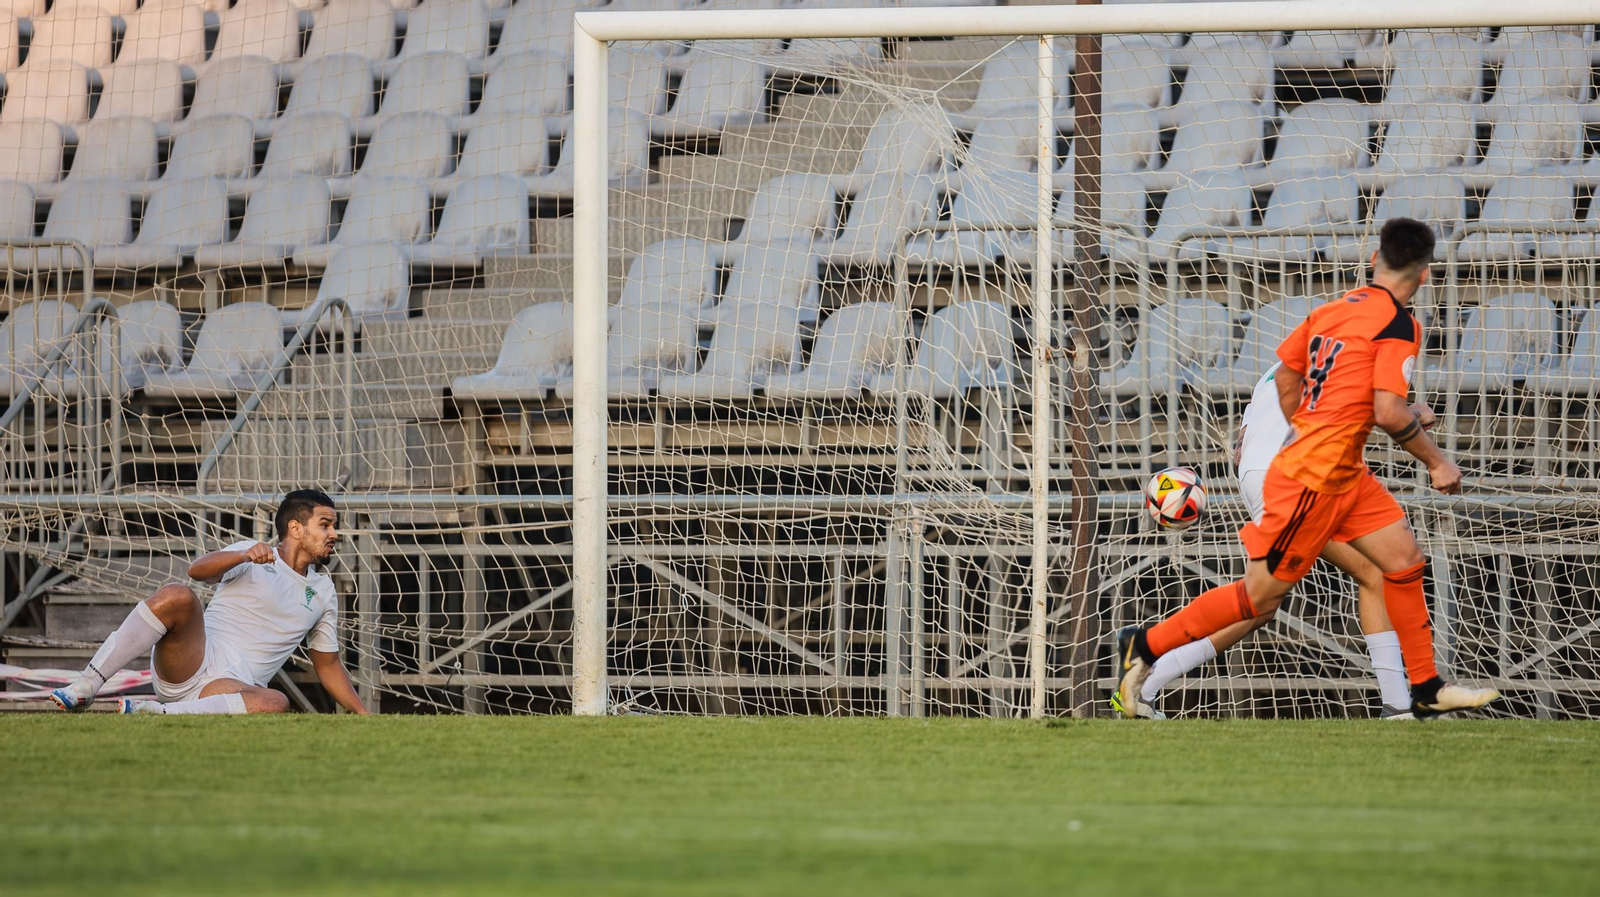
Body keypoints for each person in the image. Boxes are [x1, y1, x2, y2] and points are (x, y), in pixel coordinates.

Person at [1114, 217, 1499, 720]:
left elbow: (1296, 379)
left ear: (1372, 262)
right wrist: (1436, 459)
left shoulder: (1331, 314)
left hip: (1325, 469)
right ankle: (1146, 649)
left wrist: (1318, 421)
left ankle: (1420, 688)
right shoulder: (1399, 325)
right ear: (1425, 276)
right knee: (1261, 599)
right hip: (1306, 475)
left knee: (1400, 560)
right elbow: (1384, 409)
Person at [1110, 362, 1435, 720]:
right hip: (1295, 473)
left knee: (1271, 600)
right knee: (1366, 572)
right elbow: (1386, 412)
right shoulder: (1385, 344)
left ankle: (1145, 680)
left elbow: (1249, 430)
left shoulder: (1295, 356)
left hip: (1257, 472)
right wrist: (1419, 415)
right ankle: (1399, 709)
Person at [50, 490, 369, 715]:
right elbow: (196, 571)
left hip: (230, 690)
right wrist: (242, 555)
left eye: (334, 526)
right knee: (178, 595)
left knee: (275, 702)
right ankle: (86, 685)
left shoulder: (324, 591)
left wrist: (363, 714)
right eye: (325, 524)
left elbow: (327, 664)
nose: (334, 534)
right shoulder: (253, 552)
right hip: (190, 664)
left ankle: (155, 712)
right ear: (295, 529)